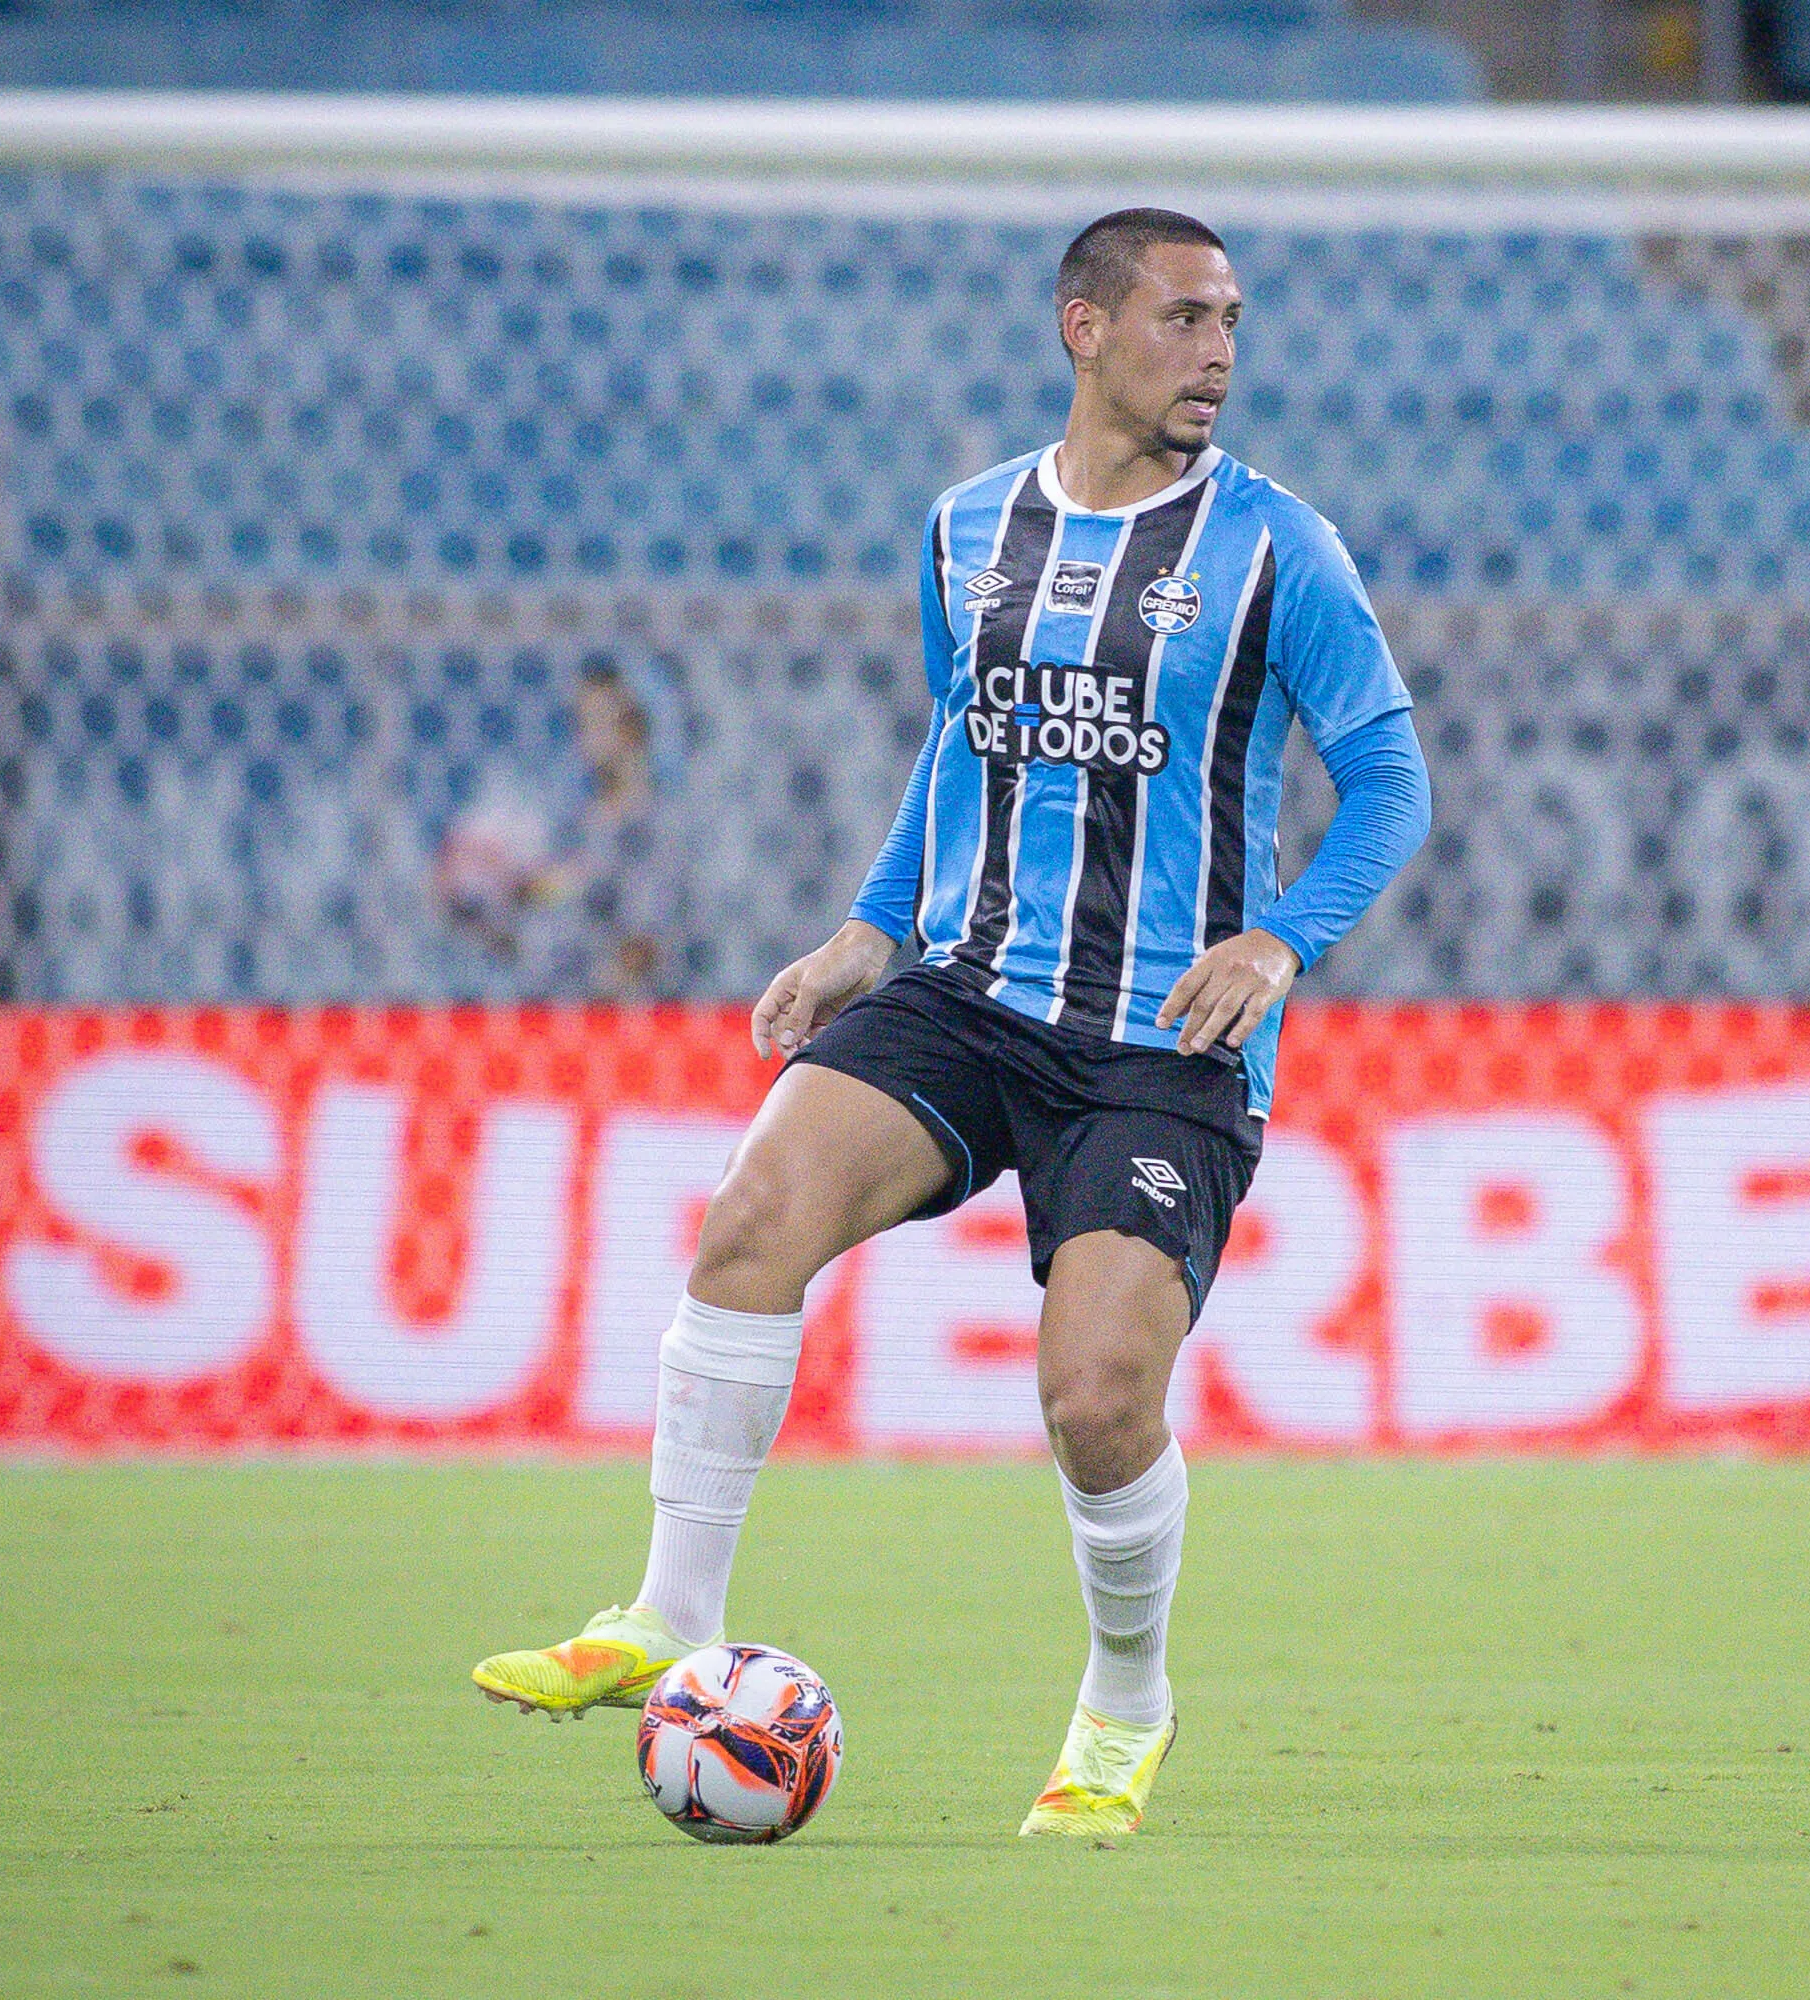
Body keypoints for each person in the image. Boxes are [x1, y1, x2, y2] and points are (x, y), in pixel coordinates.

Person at [470, 208, 1432, 1838]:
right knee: (751, 1221)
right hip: (974, 990)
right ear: (1083, 326)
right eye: (1184, 319)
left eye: (1232, 323)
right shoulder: (967, 526)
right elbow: (958, 747)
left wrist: (1281, 938)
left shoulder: (1281, 549)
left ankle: (1127, 1705)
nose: (1218, 353)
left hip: (1163, 1043)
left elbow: (1391, 786)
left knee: (1098, 1399)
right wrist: (870, 925)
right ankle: (668, 1617)